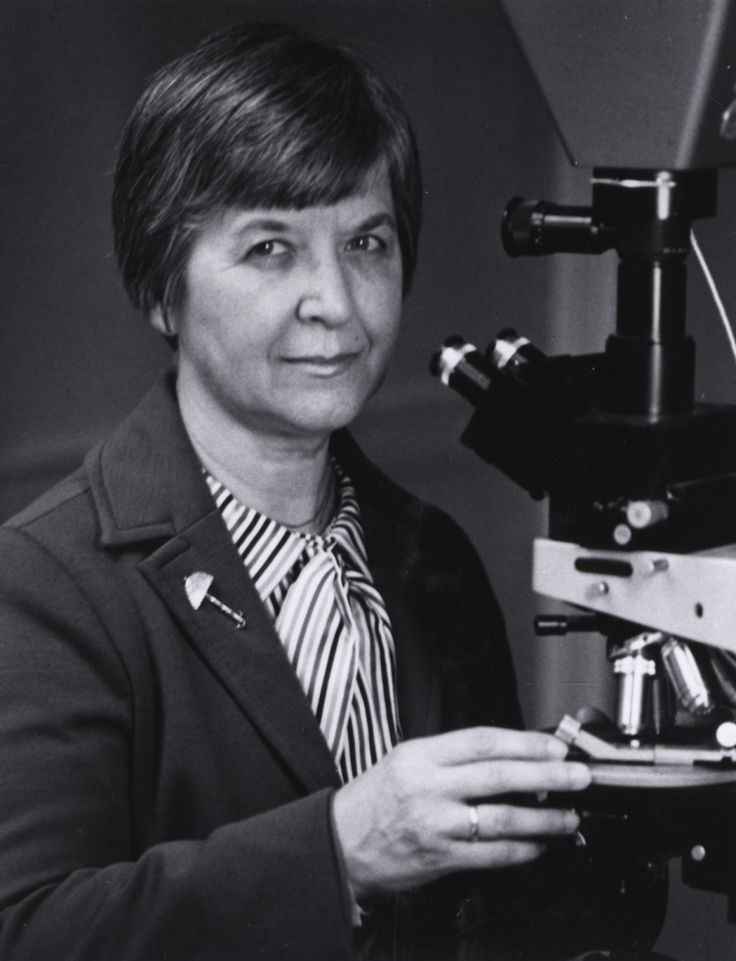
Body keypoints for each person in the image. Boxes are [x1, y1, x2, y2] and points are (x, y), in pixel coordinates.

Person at [0, 21, 664, 961]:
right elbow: (26, 931)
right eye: (271, 248)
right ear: (161, 288)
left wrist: (579, 822)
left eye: (367, 242)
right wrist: (337, 853)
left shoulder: (432, 556)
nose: (339, 305)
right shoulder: (43, 585)